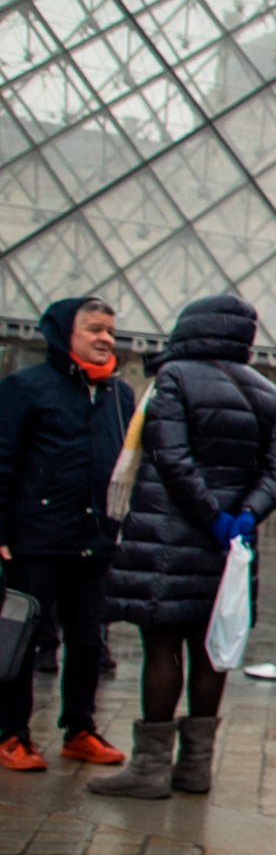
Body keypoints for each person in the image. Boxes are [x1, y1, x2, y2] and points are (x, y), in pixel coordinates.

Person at [92, 296, 276, 799]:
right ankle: (195, 768)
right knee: (211, 650)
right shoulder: (266, 391)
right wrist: (244, 516)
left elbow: (171, 457)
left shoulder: (174, 379)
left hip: (168, 536)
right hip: (232, 549)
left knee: (162, 646)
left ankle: (149, 769)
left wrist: (210, 516)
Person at [0, 297, 136, 772]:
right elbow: (2, 462)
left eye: (110, 332)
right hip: (35, 536)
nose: (105, 338)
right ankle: (12, 733)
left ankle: (79, 728)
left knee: (86, 640)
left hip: (94, 537)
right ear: (64, 335)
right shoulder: (25, 388)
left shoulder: (120, 396)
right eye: (94, 329)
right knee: (22, 635)